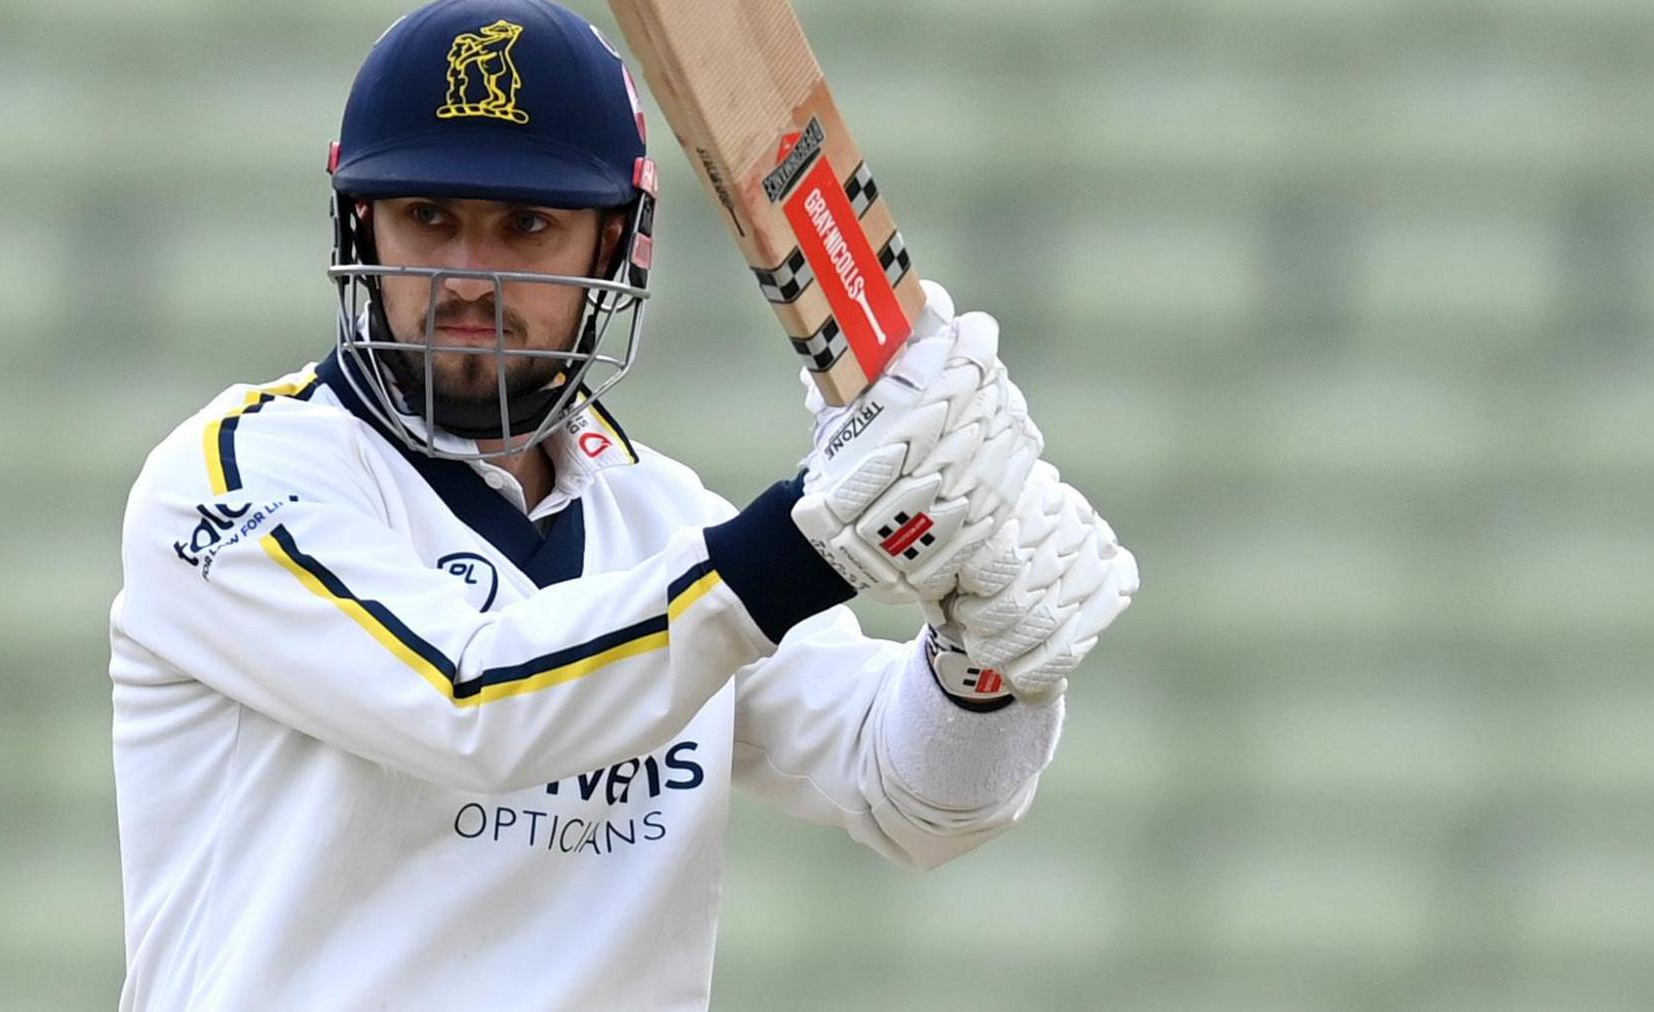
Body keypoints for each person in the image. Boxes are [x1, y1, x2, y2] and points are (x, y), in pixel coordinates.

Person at [107, 0, 1140, 1008]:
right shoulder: (237, 480)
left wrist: (985, 647)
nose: (468, 276)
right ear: (360, 224)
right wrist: (807, 545)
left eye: (527, 224)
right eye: (429, 216)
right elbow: (473, 699)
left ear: (614, 246)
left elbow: (918, 796)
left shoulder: (664, 522)